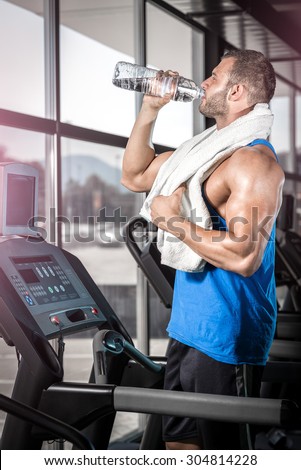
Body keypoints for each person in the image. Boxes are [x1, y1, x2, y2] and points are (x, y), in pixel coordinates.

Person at [121, 49, 285, 450]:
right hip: (189, 328)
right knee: (182, 446)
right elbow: (135, 174)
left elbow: (244, 257)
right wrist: (149, 109)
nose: (204, 82)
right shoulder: (203, 153)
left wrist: (172, 222)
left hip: (227, 332)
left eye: (214, 76)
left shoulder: (253, 162)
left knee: (220, 452)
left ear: (237, 92)